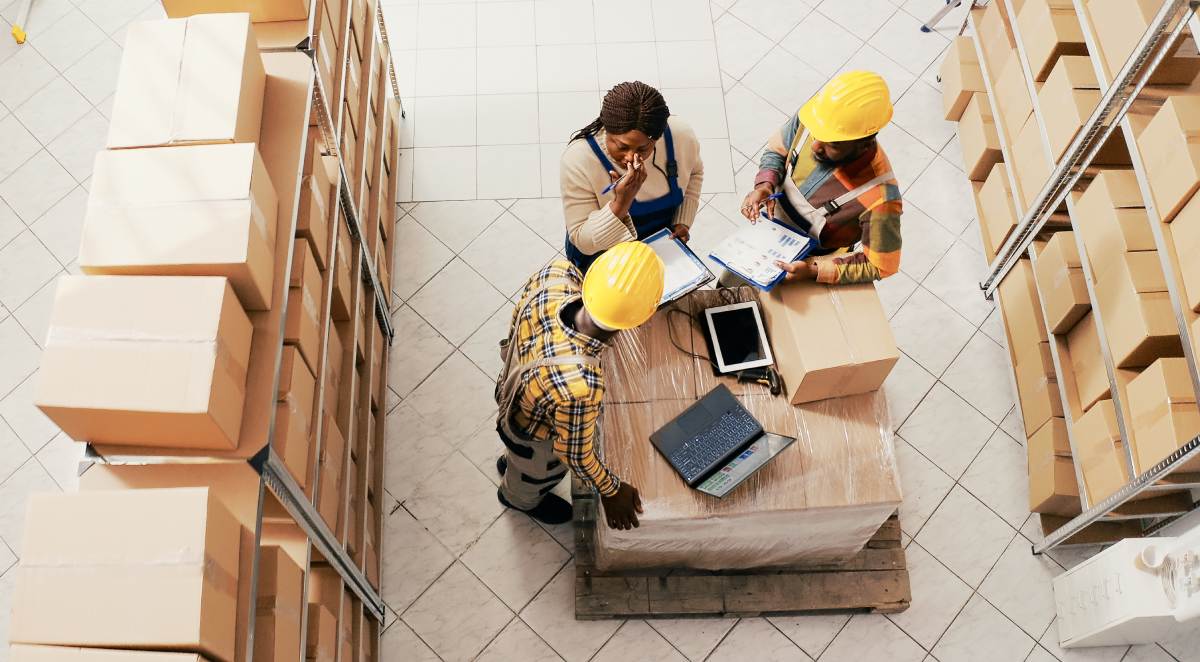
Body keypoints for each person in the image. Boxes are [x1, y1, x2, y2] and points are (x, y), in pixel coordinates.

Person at [493, 242, 665, 530]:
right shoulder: (582, 387)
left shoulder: (557, 274)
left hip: (513, 386)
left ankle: (513, 467)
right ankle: (519, 497)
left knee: (518, 460)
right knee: (534, 473)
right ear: (642, 318)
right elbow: (574, 454)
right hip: (533, 436)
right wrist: (612, 490)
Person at [740, 70, 903, 284]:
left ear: (863, 143)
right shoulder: (817, 118)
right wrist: (764, 185)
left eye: (832, 144)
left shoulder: (880, 196)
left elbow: (881, 265)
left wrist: (815, 271)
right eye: (816, 135)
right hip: (767, 232)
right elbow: (777, 151)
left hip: (808, 263)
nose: (815, 146)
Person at [561, 81, 704, 273]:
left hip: (658, 251)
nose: (631, 157)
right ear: (606, 129)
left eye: (643, 148)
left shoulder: (680, 136)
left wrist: (682, 221)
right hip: (602, 255)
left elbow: (694, 172)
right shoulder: (579, 159)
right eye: (621, 146)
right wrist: (621, 203)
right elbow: (581, 240)